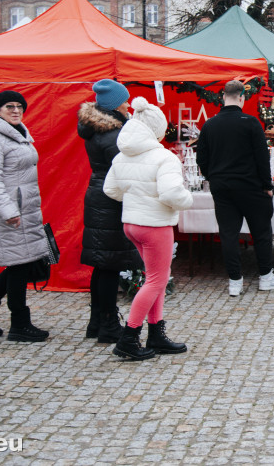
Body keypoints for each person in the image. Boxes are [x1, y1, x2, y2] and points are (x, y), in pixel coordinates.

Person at [104, 97, 193, 361]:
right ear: (157, 128)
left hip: (132, 223)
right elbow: (171, 193)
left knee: (155, 278)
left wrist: (136, 197)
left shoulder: (122, 155)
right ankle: (129, 338)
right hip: (155, 225)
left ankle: (156, 333)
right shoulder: (163, 157)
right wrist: (187, 200)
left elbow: (111, 190)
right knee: (157, 280)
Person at [0, 91, 52, 343]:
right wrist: (8, 210)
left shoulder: (17, 133)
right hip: (7, 212)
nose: (15, 110)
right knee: (18, 265)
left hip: (23, 209)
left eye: (19, 107)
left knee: (20, 262)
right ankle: (19, 324)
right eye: (9, 106)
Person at [196, 80, 274, 297]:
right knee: (261, 232)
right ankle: (266, 277)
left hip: (222, 187)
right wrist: (267, 185)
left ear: (222, 98)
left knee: (228, 234)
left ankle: (235, 280)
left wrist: (214, 177)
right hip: (250, 187)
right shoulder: (251, 123)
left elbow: (202, 158)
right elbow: (261, 158)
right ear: (242, 98)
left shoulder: (210, 125)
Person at [77, 79, 142, 344]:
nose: (128, 105)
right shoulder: (116, 135)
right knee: (110, 265)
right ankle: (108, 325)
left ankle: (96, 321)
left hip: (98, 195)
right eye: (125, 101)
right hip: (110, 200)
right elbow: (124, 171)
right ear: (115, 105)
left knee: (102, 265)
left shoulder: (96, 129)